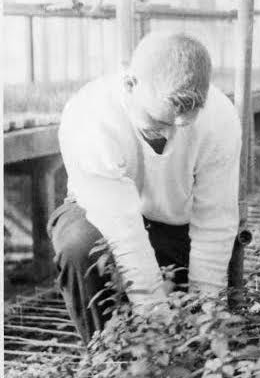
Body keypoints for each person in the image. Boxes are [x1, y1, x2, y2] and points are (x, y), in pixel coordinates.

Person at [48, 31, 242, 344]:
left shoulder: (220, 118)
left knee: (215, 320)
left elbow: (215, 221)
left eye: (183, 125)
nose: (169, 136)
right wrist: (156, 318)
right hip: (104, 220)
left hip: (177, 220)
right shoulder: (91, 116)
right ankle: (108, 357)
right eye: (158, 122)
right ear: (130, 85)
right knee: (79, 247)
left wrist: (207, 314)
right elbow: (123, 232)